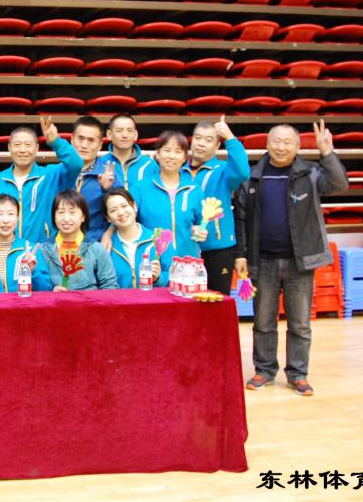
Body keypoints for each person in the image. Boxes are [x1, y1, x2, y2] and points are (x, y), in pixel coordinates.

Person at [237, 121, 348, 397]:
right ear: (267, 144)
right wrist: (241, 255)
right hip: (262, 261)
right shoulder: (252, 177)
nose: (281, 147)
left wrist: (327, 153)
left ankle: (298, 373)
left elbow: (339, 184)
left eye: (287, 142)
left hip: (300, 262)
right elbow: (241, 218)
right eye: (276, 141)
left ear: (298, 146)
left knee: (300, 323)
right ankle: (264, 370)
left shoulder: (310, 173)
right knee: (263, 321)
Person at [127, 131, 208, 273]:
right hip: (153, 263)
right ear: (157, 154)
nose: (171, 156)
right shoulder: (140, 188)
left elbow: (202, 222)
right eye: (167, 150)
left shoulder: (194, 190)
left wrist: (201, 230)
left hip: (188, 263)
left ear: (184, 158)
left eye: (178, 152)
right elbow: (127, 220)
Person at [186, 116, 250, 293]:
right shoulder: (179, 170)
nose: (201, 143)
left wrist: (230, 138)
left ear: (217, 146)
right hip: (185, 248)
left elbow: (243, 172)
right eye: (197, 138)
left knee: (217, 300)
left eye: (208, 140)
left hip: (218, 249)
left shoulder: (223, 170)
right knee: (185, 300)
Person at [0, 116, 83, 243]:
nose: (22, 150)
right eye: (17, 145)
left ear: (37, 148)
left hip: (43, 249)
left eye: (28, 145)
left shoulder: (50, 174)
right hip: (8, 249)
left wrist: (56, 142)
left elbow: (76, 164)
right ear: (9, 147)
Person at [0, 194, 51, 293]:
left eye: (11, 214)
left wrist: (33, 271)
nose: (5, 220)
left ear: (18, 217)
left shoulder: (31, 251)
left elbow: (46, 290)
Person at [43, 190, 117, 291]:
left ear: (83, 217)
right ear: (54, 217)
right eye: (61, 212)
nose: (66, 218)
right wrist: (52, 291)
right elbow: (39, 287)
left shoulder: (96, 249)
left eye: (72, 212)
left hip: (90, 301)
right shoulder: (44, 250)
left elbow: (110, 286)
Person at [103, 188, 162, 288]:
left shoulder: (157, 240)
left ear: (134, 206)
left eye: (124, 206)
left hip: (153, 297)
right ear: (108, 218)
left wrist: (159, 278)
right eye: (113, 210)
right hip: (119, 298)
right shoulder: (106, 247)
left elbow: (172, 274)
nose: (121, 213)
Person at [71, 116, 113, 240]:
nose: (84, 145)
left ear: (100, 145)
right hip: (60, 244)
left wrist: (106, 190)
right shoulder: (58, 172)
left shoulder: (109, 174)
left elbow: (121, 211)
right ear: (72, 140)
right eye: (80, 139)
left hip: (95, 243)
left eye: (91, 140)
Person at [101, 113, 154, 190]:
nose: (125, 135)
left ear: (135, 135)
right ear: (109, 134)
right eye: (119, 130)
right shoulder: (101, 164)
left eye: (129, 131)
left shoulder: (149, 164)